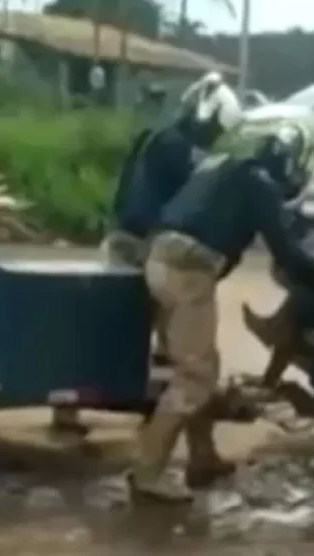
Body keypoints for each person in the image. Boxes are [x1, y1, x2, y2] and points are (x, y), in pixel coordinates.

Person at [130, 122, 314, 502]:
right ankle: (147, 472)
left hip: (159, 257)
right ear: (287, 159)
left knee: (199, 364)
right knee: (196, 378)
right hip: (190, 271)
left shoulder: (221, 164)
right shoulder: (260, 184)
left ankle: (203, 456)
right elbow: (284, 251)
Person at [51, 72, 244, 438]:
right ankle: (158, 416)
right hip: (144, 246)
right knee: (172, 338)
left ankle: (74, 405)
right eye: (215, 130)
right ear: (204, 117)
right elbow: (183, 207)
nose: (214, 138)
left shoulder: (155, 137)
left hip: (122, 235)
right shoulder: (180, 151)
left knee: (115, 329)